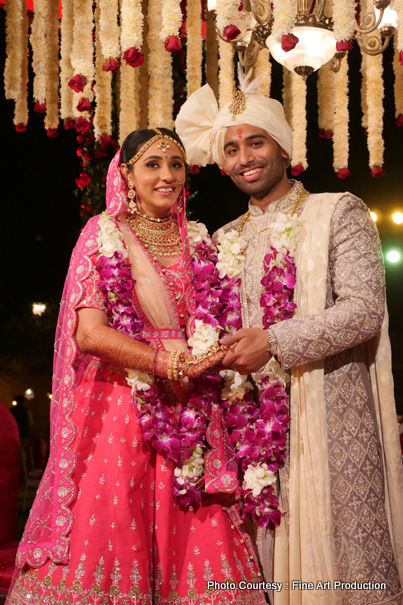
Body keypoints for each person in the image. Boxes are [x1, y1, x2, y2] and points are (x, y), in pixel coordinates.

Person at [6, 128, 267, 605]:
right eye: (152, 164)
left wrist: (213, 358)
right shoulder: (102, 234)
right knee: (115, 513)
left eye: (176, 164)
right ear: (125, 174)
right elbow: (90, 333)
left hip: (193, 403)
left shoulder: (200, 238)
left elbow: (216, 318)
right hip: (120, 401)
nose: (167, 175)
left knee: (197, 524)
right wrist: (166, 361)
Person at [175, 73, 403, 604]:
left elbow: (365, 310)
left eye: (255, 142)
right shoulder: (222, 239)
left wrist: (274, 341)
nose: (243, 158)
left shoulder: (338, 210)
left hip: (332, 416)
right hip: (252, 433)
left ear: (282, 147)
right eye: (230, 149)